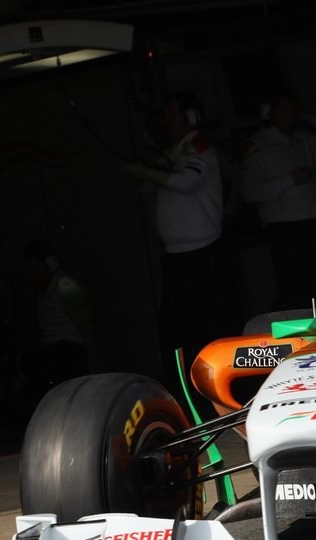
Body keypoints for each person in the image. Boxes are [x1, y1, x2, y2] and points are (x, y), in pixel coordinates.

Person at [121, 90, 238, 372]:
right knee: (179, 330)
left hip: (203, 254)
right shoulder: (172, 152)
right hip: (176, 257)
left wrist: (142, 171)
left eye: (171, 113)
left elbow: (186, 183)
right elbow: (147, 186)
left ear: (190, 117)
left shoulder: (200, 147)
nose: (166, 120)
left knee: (214, 326)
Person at [239, 87, 316, 310]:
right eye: (284, 111)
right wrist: (289, 180)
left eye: (293, 111)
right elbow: (248, 192)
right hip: (284, 230)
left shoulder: (303, 137)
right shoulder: (257, 146)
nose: (290, 116)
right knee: (294, 291)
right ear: (269, 113)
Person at [20, 241, 98, 402]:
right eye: (29, 270)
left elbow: (86, 328)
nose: (32, 274)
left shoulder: (66, 286)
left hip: (69, 352)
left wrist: (93, 366)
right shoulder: (40, 292)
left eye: (36, 269)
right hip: (51, 352)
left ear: (50, 264)